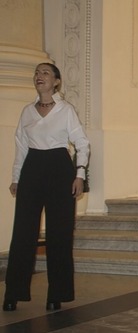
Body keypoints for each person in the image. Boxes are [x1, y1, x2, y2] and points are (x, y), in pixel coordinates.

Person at [3, 63, 90, 312]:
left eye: (45, 73)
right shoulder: (27, 111)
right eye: (37, 73)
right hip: (32, 168)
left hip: (59, 168)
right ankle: (14, 292)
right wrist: (16, 177)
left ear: (56, 82)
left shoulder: (66, 111)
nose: (39, 76)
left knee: (59, 233)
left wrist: (79, 175)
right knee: (22, 233)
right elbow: (20, 146)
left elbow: (82, 144)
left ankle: (58, 293)